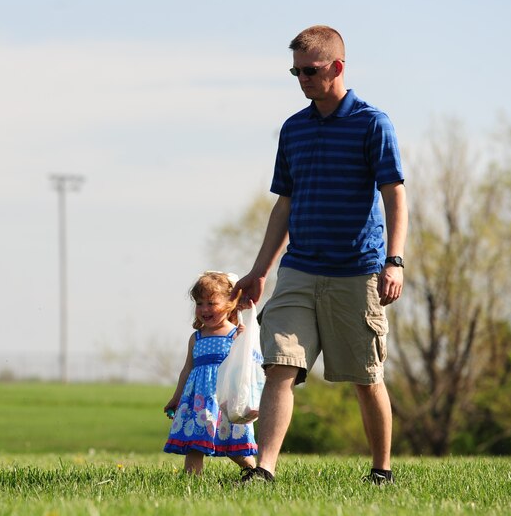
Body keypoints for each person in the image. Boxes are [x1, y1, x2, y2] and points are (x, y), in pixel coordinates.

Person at [234, 25, 407, 485]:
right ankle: (264, 470)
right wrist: (260, 270)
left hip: (357, 272)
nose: (302, 79)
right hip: (300, 269)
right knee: (280, 365)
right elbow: (284, 205)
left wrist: (395, 260)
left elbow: (395, 194)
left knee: (365, 378)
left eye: (310, 70)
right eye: (295, 72)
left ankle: (381, 470)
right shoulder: (293, 129)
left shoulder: (373, 122)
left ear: (337, 67)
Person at [163, 271, 258, 474]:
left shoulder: (236, 334)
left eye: (211, 303)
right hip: (198, 400)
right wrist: (176, 397)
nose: (204, 309)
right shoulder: (195, 338)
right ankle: (191, 483)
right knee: (194, 444)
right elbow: (187, 369)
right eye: (199, 303)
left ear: (230, 304)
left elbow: (246, 367)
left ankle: (255, 472)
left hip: (224, 399)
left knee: (235, 449)